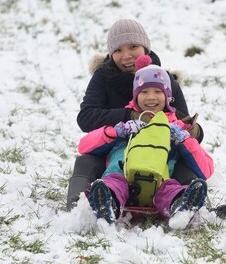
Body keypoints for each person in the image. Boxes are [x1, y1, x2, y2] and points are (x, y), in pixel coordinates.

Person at [66, 19, 203, 211]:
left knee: (184, 163)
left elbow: (183, 123)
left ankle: (193, 204)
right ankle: (77, 207)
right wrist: (129, 115)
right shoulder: (104, 78)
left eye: (133, 47)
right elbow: (86, 117)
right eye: (118, 50)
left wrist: (193, 131)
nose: (126, 56)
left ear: (145, 48)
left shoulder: (164, 81)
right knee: (85, 161)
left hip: (158, 152)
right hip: (113, 149)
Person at [78, 57, 214, 223]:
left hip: (161, 181)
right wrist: (117, 131)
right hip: (121, 173)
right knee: (113, 182)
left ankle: (181, 205)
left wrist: (184, 139)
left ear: (168, 97)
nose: (150, 97)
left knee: (170, 189)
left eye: (158, 92)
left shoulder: (175, 123)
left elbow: (206, 169)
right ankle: (107, 203)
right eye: (144, 92)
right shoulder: (127, 121)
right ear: (135, 96)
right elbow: (84, 146)